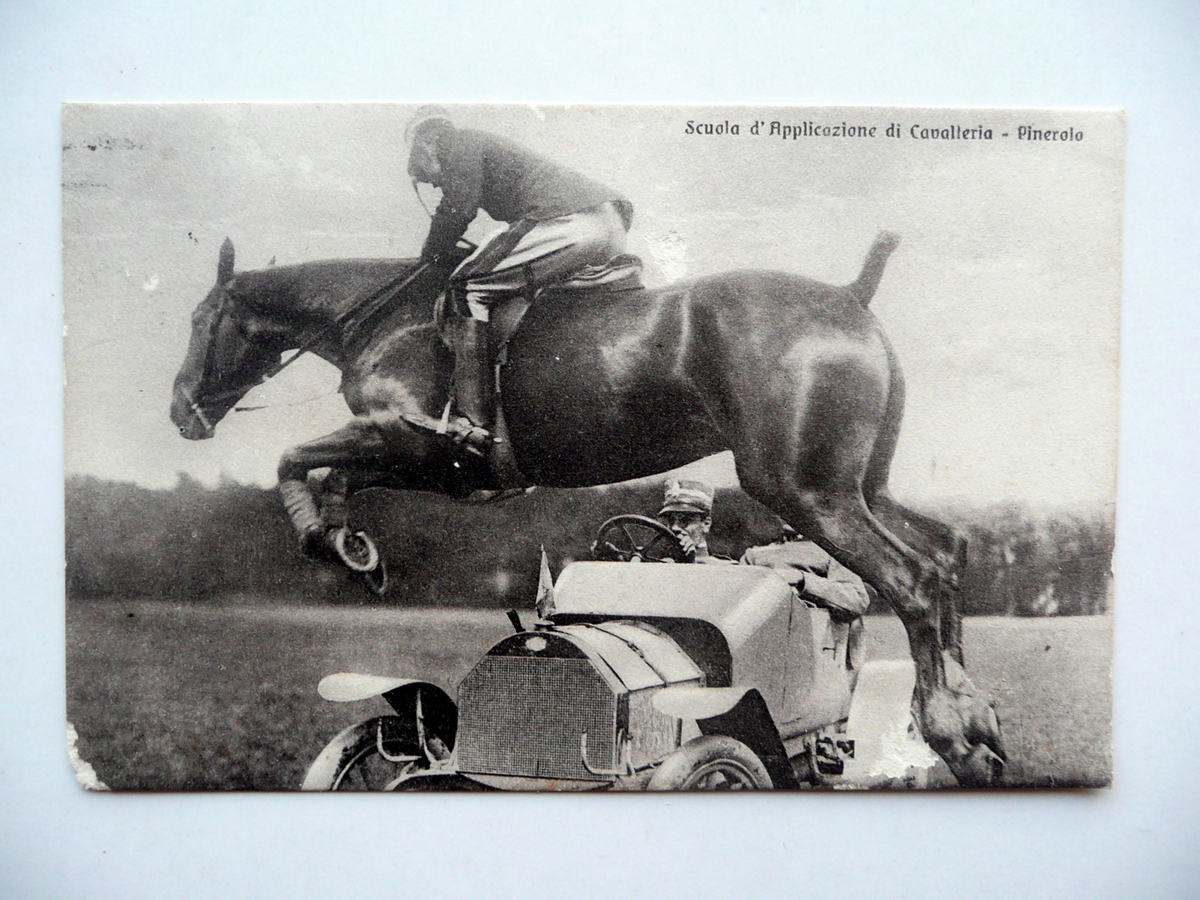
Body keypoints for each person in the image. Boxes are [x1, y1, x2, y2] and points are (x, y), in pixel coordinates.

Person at [404, 106, 633, 451]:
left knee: (465, 288)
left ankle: (472, 422)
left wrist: (431, 253)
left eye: (431, 176)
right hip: (607, 223)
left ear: (426, 143)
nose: (436, 182)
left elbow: (456, 208)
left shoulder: (460, 144)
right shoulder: (480, 145)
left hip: (568, 222)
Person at [656, 478, 871, 619]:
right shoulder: (756, 555)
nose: (787, 512)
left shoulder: (832, 552)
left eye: (796, 507)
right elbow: (728, 582)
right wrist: (693, 558)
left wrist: (802, 579)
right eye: (782, 506)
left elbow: (856, 600)